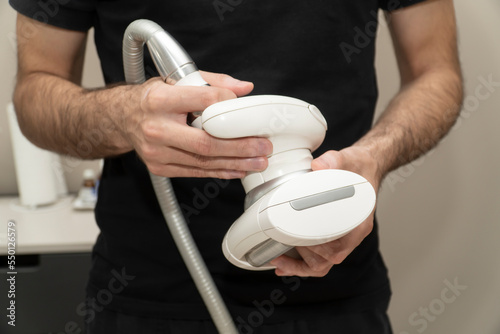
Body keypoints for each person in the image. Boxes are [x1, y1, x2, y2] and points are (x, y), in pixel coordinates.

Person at [9, 0, 463, 333]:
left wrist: (373, 158)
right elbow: (34, 90)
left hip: (333, 286)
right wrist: (123, 115)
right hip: (146, 292)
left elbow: (435, 72)